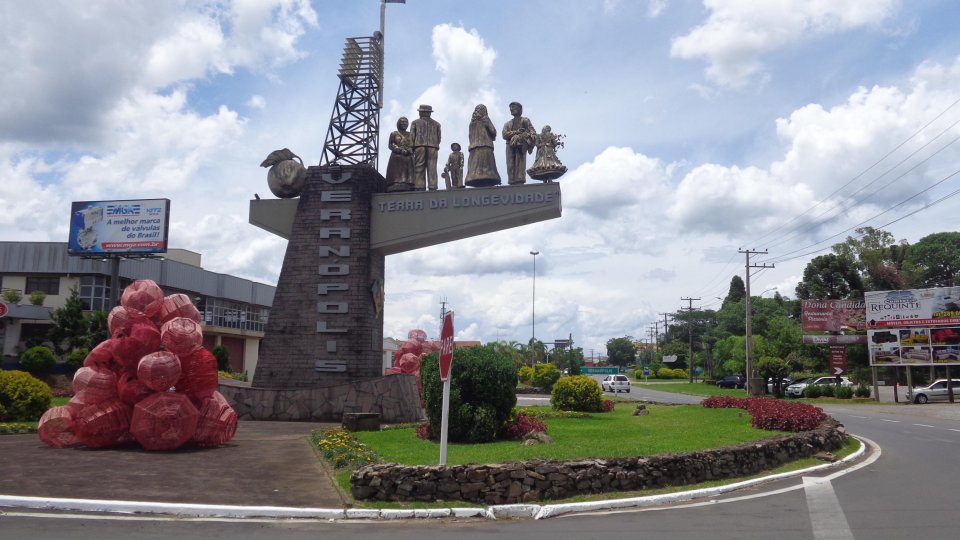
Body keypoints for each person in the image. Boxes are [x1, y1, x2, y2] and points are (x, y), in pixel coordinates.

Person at [464, 104, 501, 187]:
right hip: (484, 146)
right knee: (486, 167)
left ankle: (476, 177)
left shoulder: (472, 123)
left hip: (475, 147)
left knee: (477, 166)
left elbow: (470, 136)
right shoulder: (485, 119)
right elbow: (493, 132)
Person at [501, 102, 535, 185]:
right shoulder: (507, 124)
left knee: (520, 165)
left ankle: (520, 181)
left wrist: (526, 136)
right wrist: (516, 132)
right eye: (510, 108)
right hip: (509, 146)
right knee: (510, 165)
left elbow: (533, 133)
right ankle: (511, 181)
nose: (512, 109)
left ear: (520, 109)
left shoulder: (525, 120)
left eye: (514, 107)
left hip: (521, 146)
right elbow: (504, 135)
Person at [409, 104, 441, 190]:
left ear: (421, 112)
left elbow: (412, 136)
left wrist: (411, 147)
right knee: (432, 166)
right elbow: (439, 138)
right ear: (429, 113)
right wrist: (435, 145)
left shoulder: (415, 122)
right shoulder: (437, 124)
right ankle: (433, 186)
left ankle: (419, 186)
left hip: (419, 146)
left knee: (419, 166)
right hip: (433, 146)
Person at [384, 117, 414, 191]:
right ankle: (396, 182)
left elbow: (414, 145)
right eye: (402, 122)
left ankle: (409, 183)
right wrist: (399, 150)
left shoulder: (410, 134)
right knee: (398, 160)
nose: (404, 124)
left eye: (406, 122)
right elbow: (391, 144)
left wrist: (410, 150)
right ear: (398, 123)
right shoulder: (394, 133)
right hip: (397, 155)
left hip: (408, 154)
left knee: (410, 161)